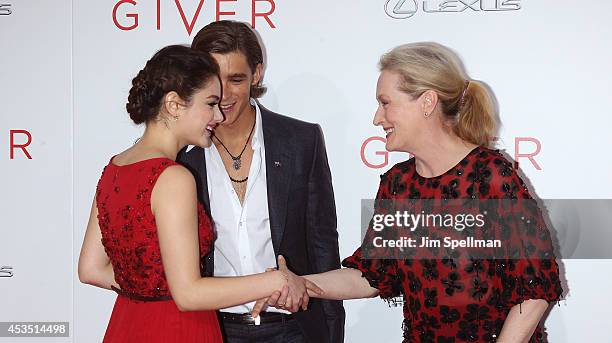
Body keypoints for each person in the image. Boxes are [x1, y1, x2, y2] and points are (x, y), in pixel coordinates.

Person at [255, 42, 564, 342]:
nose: (377, 118)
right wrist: (299, 283)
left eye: (386, 103)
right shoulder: (398, 185)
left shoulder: (492, 177)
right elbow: (372, 274)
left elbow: (535, 289)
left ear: (427, 102)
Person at [77, 45, 321, 343]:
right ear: (174, 104)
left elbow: (90, 270)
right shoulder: (173, 177)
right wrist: (276, 279)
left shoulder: (115, 168)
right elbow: (189, 294)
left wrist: (150, 286)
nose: (218, 115)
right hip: (178, 329)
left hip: (129, 323)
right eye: (210, 103)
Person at [177, 20, 345, 343]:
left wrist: (332, 330)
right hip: (213, 330)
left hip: (292, 328)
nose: (223, 94)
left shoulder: (301, 141)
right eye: (214, 80)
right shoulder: (184, 158)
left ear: (257, 74)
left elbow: (324, 244)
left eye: (236, 79)